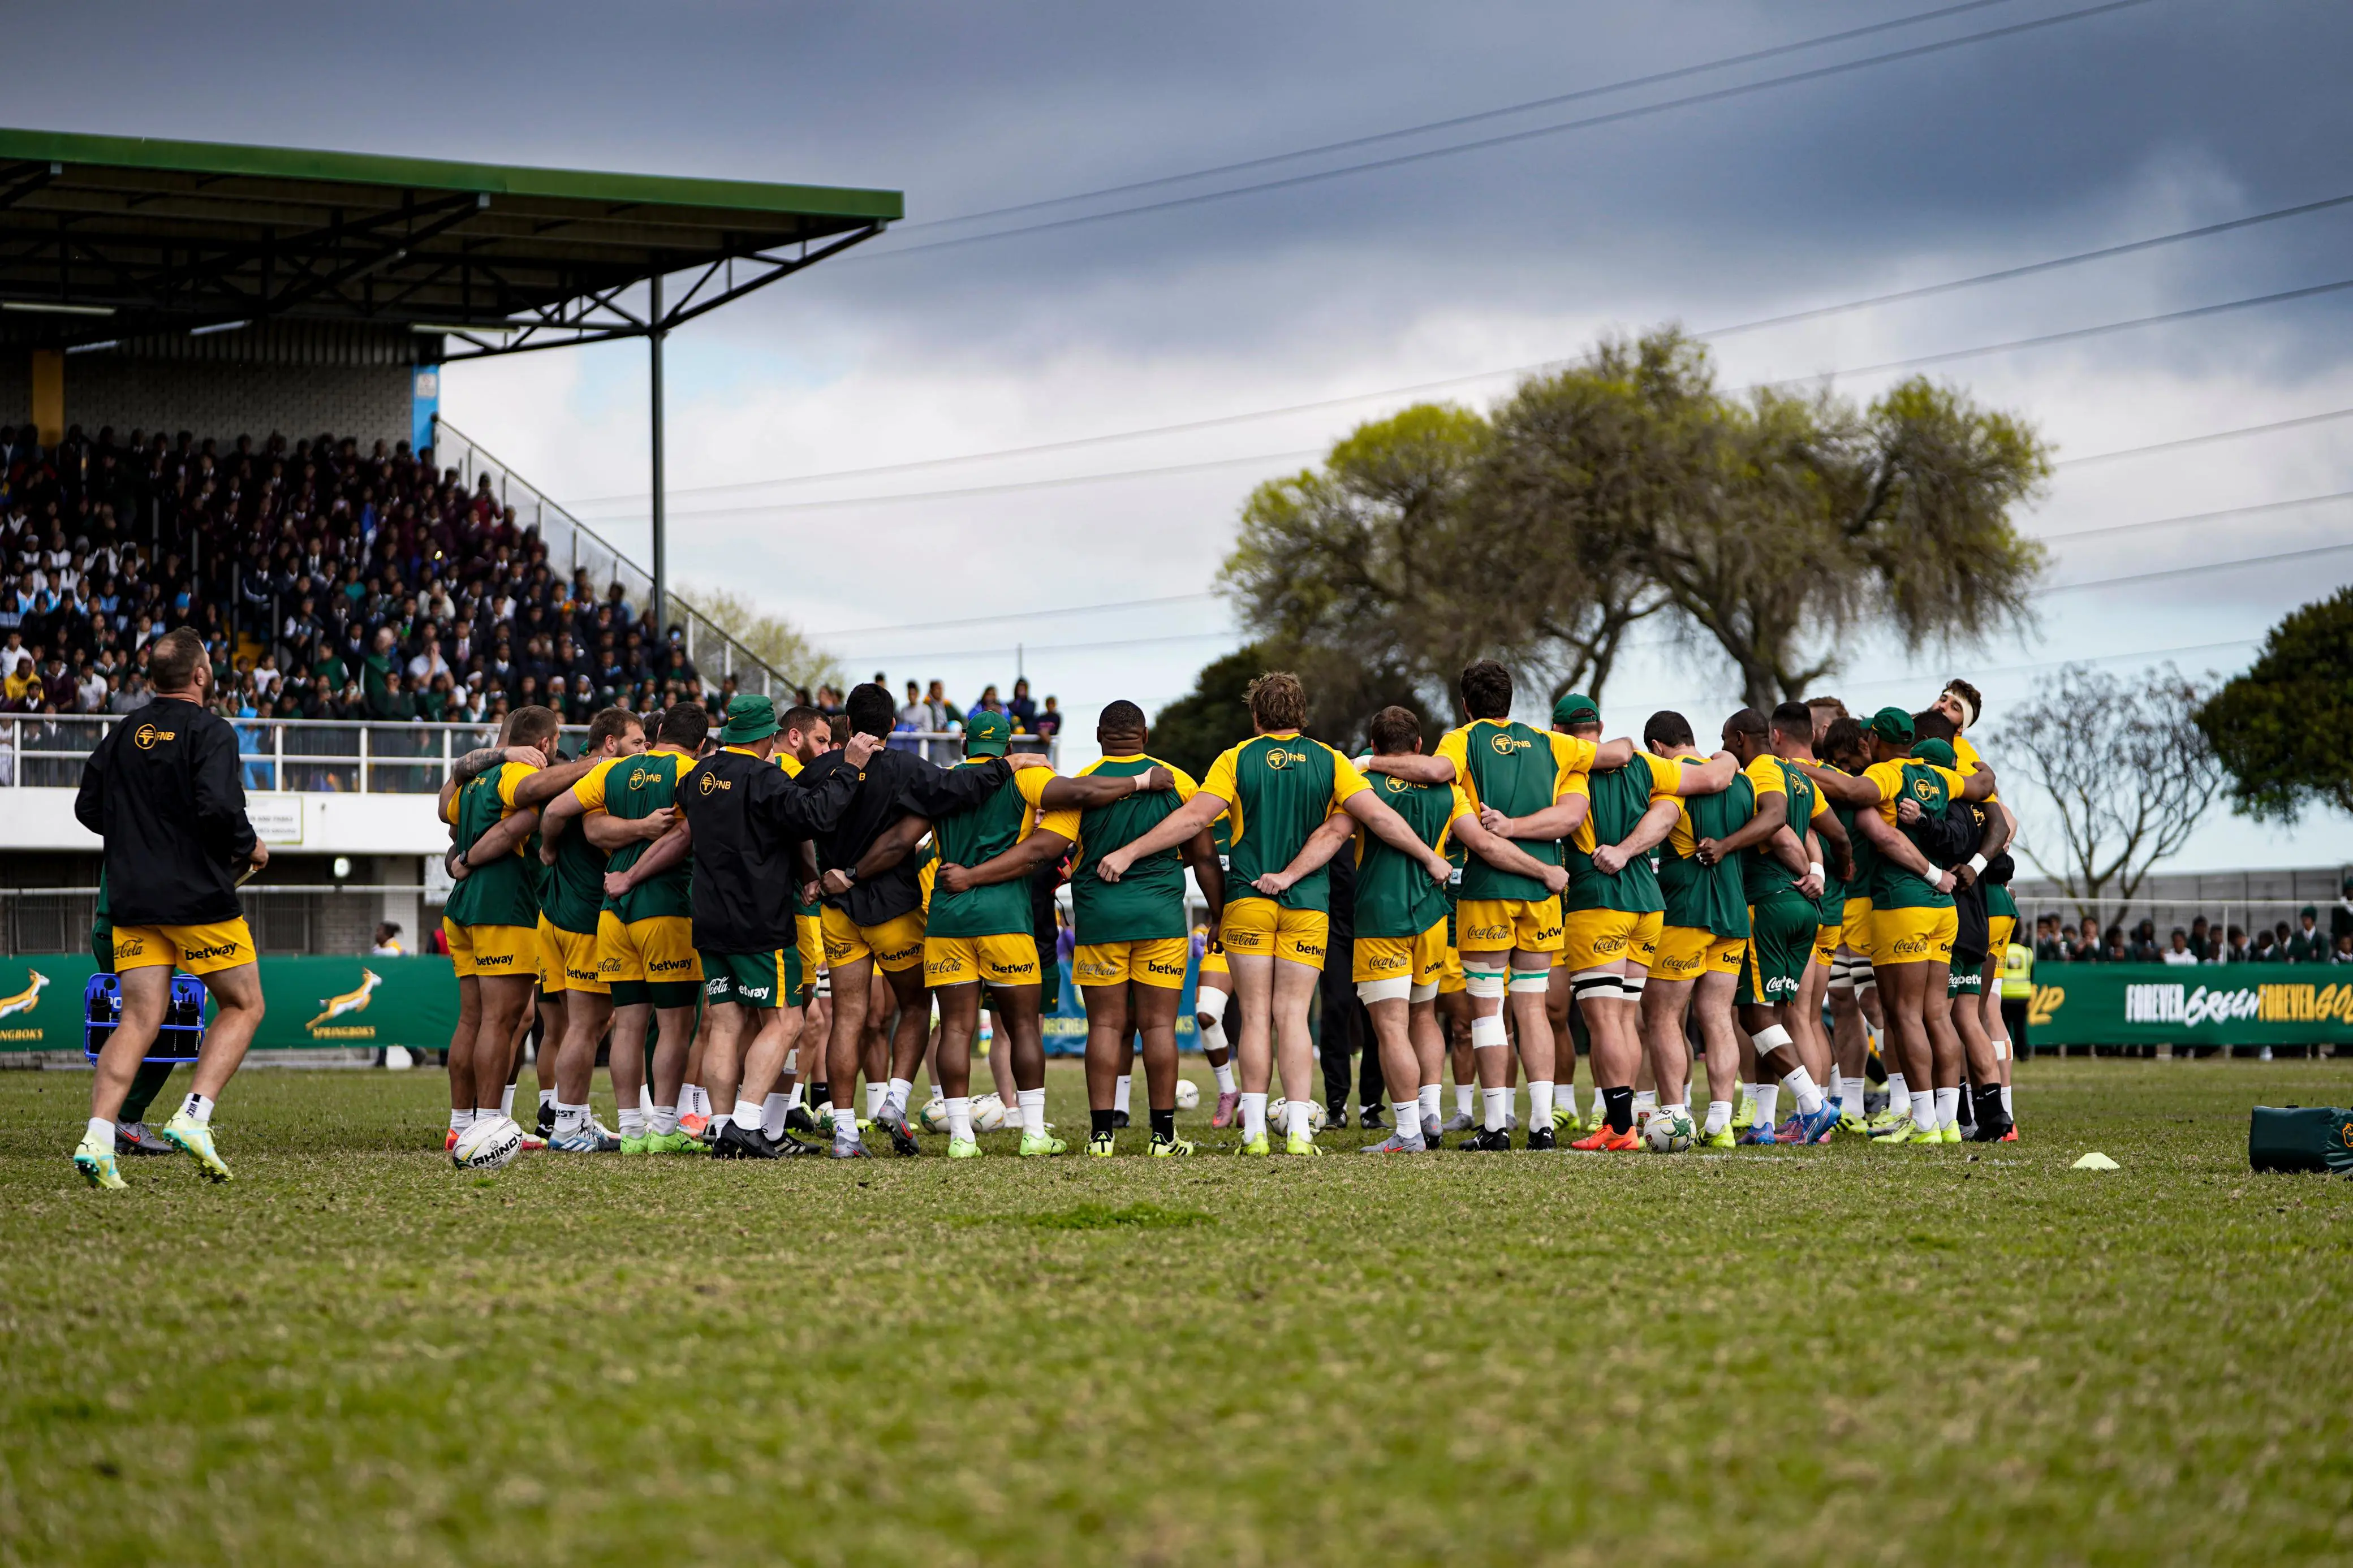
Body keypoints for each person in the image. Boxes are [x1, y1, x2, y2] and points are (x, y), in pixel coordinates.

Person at [1094, 671, 1449, 1156]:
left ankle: (1255, 1133)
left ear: (1257, 716)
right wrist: (1430, 856)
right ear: (1301, 713)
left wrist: (1129, 851)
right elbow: (1379, 818)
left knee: (1256, 1017)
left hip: (1248, 902)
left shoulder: (1236, 758)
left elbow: (1194, 818)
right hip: (1306, 906)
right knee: (1295, 1018)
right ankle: (1300, 1132)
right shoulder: (1330, 760)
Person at [613, 696, 873, 1159]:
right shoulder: (765, 776)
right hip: (759, 920)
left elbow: (685, 831)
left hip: (708, 918)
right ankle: (749, 1123)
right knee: (787, 1020)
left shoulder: (697, 778)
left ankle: (721, 1124)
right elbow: (812, 816)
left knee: (727, 1024)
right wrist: (849, 768)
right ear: (766, 737)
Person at [72, 625, 267, 1189]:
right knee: (244, 1004)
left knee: (137, 1018)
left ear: (154, 678)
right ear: (201, 675)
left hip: (133, 899)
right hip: (196, 898)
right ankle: (194, 1115)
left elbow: (88, 807)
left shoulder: (124, 732)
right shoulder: (211, 731)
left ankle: (99, 1135)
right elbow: (218, 806)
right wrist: (248, 845)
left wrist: (140, 836)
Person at [802, 683, 1028, 1158]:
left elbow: (792, 826)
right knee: (916, 1006)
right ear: (893, 727)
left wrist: (811, 876)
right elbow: (962, 787)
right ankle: (895, 1102)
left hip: (837, 912)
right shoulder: (905, 767)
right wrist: (1011, 763)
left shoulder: (819, 769)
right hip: (892, 911)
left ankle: (845, 1133)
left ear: (845, 723)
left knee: (848, 1018)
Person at [537, 703, 705, 1154]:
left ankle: (631, 1131)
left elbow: (556, 810)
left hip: (612, 912)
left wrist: (548, 851)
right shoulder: (692, 773)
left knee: (627, 1025)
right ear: (702, 744)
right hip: (665, 906)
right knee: (673, 1025)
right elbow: (689, 837)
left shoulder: (617, 771)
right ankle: (664, 1130)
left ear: (659, 732)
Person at [1063, 701, 1226, 1155]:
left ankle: (1100, 1137)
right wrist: (1218, 914)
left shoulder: (1084, 783)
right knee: (1158, 1027)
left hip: (1099, 918)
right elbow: (1207, 856)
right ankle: (1162, 1136)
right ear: (1146, 735)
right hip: (1161, 919)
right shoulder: (1180, 781)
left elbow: (1060, 848)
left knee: (1105, 1025)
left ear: (1099, 735)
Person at [1697, 704, 1849, 1148]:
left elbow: (1775, 818)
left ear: (1743, 738)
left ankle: (1813, 1104)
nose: (1728, 751)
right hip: (1804, 907)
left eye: (1728, 742)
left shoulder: (1763, 767)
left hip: (1768, 902)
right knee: (1772, 1020)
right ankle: (1763, 1122)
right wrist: (1833, 873)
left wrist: (1725, 845)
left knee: (1754, 1013)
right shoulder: (1800, 775)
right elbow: (1837, 834)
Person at [434, 704, 563, 1163]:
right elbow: (531, 788)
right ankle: (488, 1125)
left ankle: (460, 1126)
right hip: (503, 906)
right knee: (499, 1021)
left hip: (464, 905)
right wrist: (597, 766)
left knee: (475, 1018)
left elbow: (443, 807)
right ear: (543, 744)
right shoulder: (512, 773)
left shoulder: (475, 777)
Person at [1635, 711, 1745, 1148]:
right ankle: (1721, 1123)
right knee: (1718, 1017)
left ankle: (1675, 1117)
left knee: (1662, 1016)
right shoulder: (1740, 781)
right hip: (1733, 913)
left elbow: (1660, 823)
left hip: (1686, 909)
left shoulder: (1671, 775)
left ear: (1658, 748)